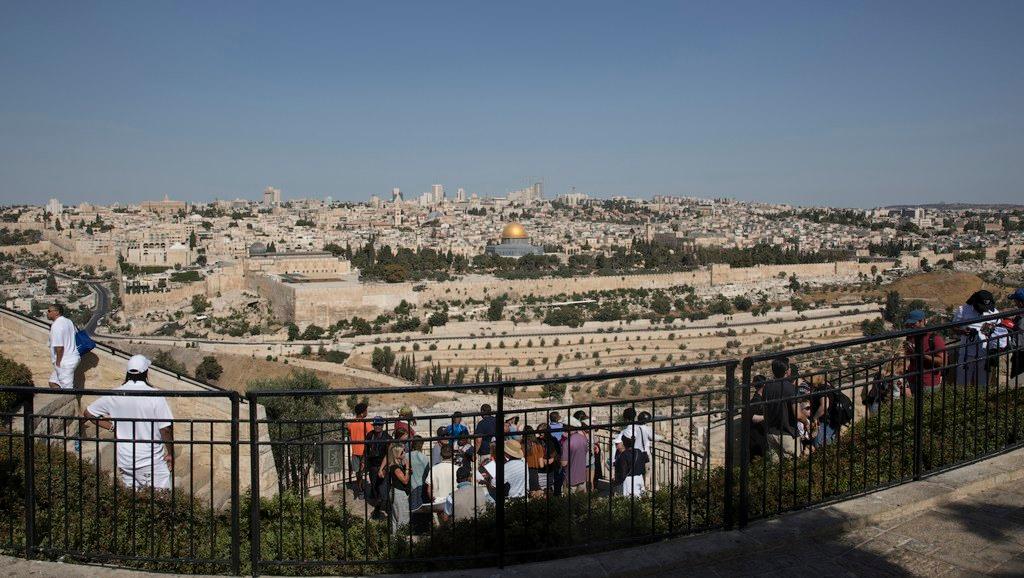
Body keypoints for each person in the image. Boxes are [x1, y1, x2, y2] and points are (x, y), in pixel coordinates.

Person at [83, 355, 174, 490]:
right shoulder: (155, 395)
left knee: (133, 498)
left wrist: (112, 427)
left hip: (125, 459)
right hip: (150, 460)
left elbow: (88, 413)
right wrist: (171, 453)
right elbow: (165, 429)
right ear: (146, 373)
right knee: (162, 500)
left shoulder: (114, 394)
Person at [953, 290, 998, 386]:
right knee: (962, 385)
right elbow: (953, 328)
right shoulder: (963, 310)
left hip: (985, 354)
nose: (985, 309)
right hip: (966, 353)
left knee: (982, 385)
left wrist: (991, 330)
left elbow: (999, 330)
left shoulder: (995, 313)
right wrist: (963, 332)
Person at [763, 357, 802, 459]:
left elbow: (765, 408)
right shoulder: (790, 388)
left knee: (774, 470)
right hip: (787, 434)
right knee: (791, 469)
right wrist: (806, 422)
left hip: (770, 433)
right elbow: (798, 414)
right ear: (787, 371)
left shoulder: (767, 387)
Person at [902, 309, 947, 395]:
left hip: (928, 382)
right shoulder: (911, 336)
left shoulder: (934, 338)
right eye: (909, 324)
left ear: (922, 321)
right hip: (913, 379)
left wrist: (921, 354)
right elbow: (911, 357)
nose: (910, 326)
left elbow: (942, 362)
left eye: (913, 323)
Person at [47, 303, 80, 390]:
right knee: (53, 382)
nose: (47, 313)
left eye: (49, 311)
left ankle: (73, 403)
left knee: (67, 390)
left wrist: (58, 363)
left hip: (64, 362)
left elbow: (59, 347)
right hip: (72, 357)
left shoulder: (56, 325)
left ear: (57, 312)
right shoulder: (68, 321)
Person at [364, 416, 391, 517]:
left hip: (383, 466)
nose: (377, 426)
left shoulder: (387, 437)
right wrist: (364, 462)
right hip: (373, 466)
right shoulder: (370, 435)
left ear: (382, 426)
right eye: (375, 424)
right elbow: (366, 450)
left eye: (379, 424)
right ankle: (378, 507)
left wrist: (384, 468)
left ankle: (386, 507)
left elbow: (389, 454)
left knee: (384, 487)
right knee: (375, 486)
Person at [382, 443, 410, 534]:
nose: (404, 453)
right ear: (397, 454)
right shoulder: (395, 467)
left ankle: (395, 539)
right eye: (402, 452)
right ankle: (401, 540)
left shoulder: (397, 465)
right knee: (403, 518)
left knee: (395, 518)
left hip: (396, 492)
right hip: (398, 493)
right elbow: (405, 480)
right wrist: (407, 469)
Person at [345, 402, 371, 498]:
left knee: (358, 473)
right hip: (364, 452)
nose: (367, 412)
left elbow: (348, 429)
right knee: (369, 471)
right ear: (362, 413)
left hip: (355, 451)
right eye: (365, 411)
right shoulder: (366, 424)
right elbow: (371, 434)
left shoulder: (351, 424)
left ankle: (360, 491)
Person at [560, 422, 589, 493]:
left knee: (569, 502)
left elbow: (564, 463)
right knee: (581, 502)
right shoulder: (584, 439)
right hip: (582, 477)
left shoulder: (567, 442)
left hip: (571, 478)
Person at [427, 444, 457, 512]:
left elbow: (429, 490)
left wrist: (433, 499)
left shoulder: (434, 469)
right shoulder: (457, 469)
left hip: (438, 502)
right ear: (452, 455)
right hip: (453, 501)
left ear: (440, 454)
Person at [407, 436, 430, 513]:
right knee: (422, 509)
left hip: (410, 486)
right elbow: (427, 473)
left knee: (412, 510)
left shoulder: (406, 456)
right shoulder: (424, 457)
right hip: (422, 486)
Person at [748, 375, 768, 461]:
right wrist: (767, 417)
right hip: (757, 439)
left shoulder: (760, 399)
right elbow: (752, 417)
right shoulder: (756, 401)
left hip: (761, 437)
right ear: (764, 385)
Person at [1010, 288, 1024, 383]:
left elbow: (1018, 343)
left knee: (1016, 384)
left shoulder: (1022, 320)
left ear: (1021, 303)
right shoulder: (1020, 316)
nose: (1014, 303)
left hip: (1021, 357)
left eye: (1015, 300)